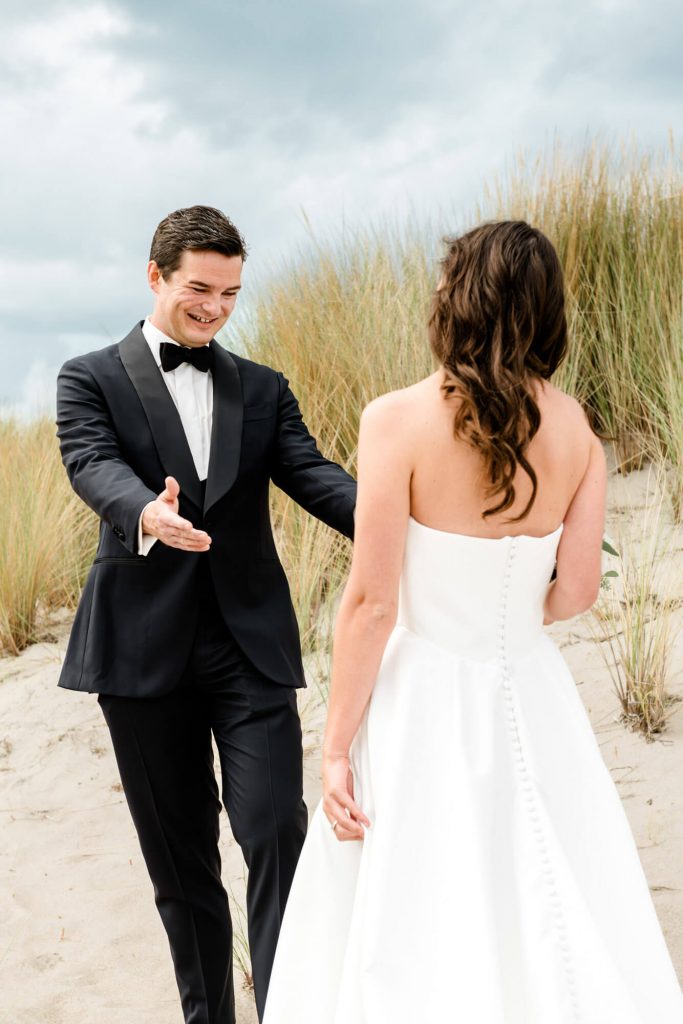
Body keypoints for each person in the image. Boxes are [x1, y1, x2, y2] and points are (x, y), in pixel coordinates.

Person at [262, 220, 683, 1022]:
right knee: (547, 882)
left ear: (455, 299)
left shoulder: (397, 419)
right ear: (546, 310)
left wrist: (337, 746)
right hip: (530, 689)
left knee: (423, 898)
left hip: (422, 694)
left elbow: (372, 602)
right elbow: (578, 591)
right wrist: (513, 618)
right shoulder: (577, 431)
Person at [55, 204, 356, 1024]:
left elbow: (314, 475)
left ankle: (291, 1008)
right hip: (140, 654)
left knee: (275, 831)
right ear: (154, 276)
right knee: (182, 867)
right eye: (199, 288)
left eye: (229, 292)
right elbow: (91, 462)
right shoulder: (89, 377)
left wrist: (405, 528)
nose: (215, 307)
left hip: (249, 644)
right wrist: (144, 514)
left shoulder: (262, 388)